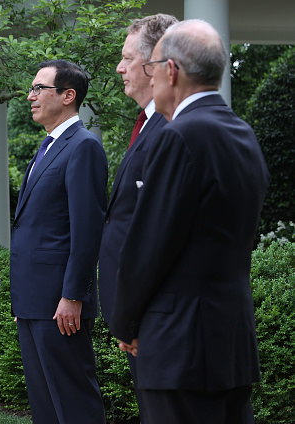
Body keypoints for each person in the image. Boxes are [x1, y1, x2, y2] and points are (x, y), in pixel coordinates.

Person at [109, 20, 270, 423]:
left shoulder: (178, 136)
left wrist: (125, 321)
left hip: (179, 344)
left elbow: (149, 244)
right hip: (230, 340)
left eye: (153, 64)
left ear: (172, 70)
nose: (149, 73)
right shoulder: (243, 134)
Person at [10, 59, 108, 423]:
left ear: (68, 95)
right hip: (33, 298)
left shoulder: (83, 146)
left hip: (59, 302)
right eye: (31, 89)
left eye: (39, 88)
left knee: (73, 401)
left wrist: (73, 295)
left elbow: (87, 229)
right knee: (45, 405)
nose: (31, 96)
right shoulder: (47, 147)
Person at [98, 13, 177, 423]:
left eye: (127, 58)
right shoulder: (148, 125)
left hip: (156, 322)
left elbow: (160, 236)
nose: (119, 67)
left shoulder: (171, 129)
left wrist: (138, 317)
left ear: (156, 64)